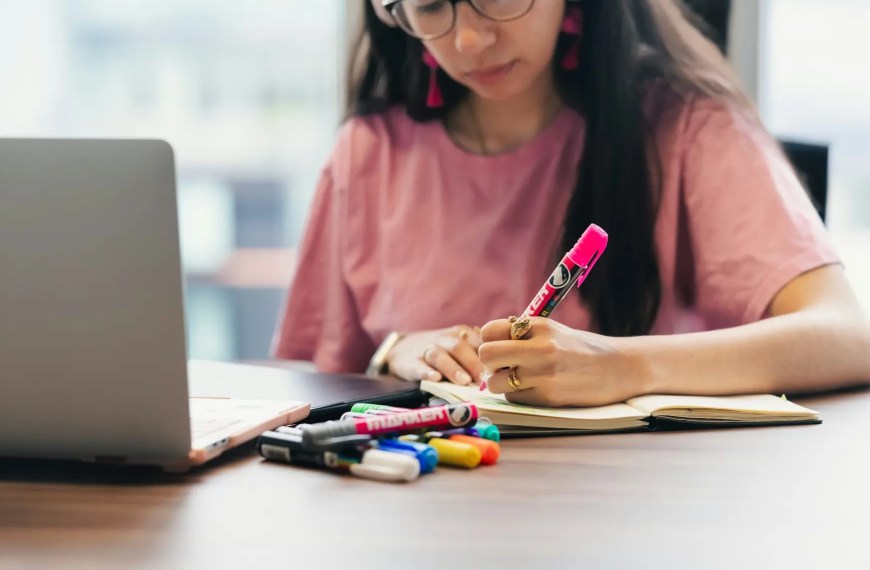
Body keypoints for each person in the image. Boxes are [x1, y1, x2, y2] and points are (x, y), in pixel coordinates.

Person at [273, 0, 870, 407]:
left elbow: (847, 335)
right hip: (422, 509)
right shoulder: (368, 151)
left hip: (634, 515)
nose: (471, 38)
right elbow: (299, 386)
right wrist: (394, 351)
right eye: (430, 3)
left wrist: (623, 366)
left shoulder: (687, 128)